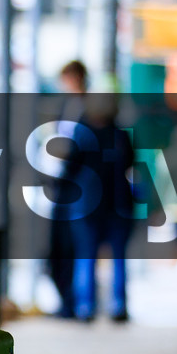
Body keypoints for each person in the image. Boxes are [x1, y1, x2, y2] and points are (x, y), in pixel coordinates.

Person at [59, 93, 137, 323]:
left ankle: (85, 307)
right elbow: (130, 163)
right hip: (118, 203)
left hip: (87, 204)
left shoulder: (82, 134)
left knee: (86, 256)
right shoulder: (121, 135)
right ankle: (118, 307)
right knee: (119, 258)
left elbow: (69, 168)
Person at [48, 60, 89, 317]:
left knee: (75, 246)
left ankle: (75, 303)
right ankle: (66, 300)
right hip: (61, 183)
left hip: (80, 185)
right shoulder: (65, 106)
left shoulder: (90, 108)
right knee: (58, 246)